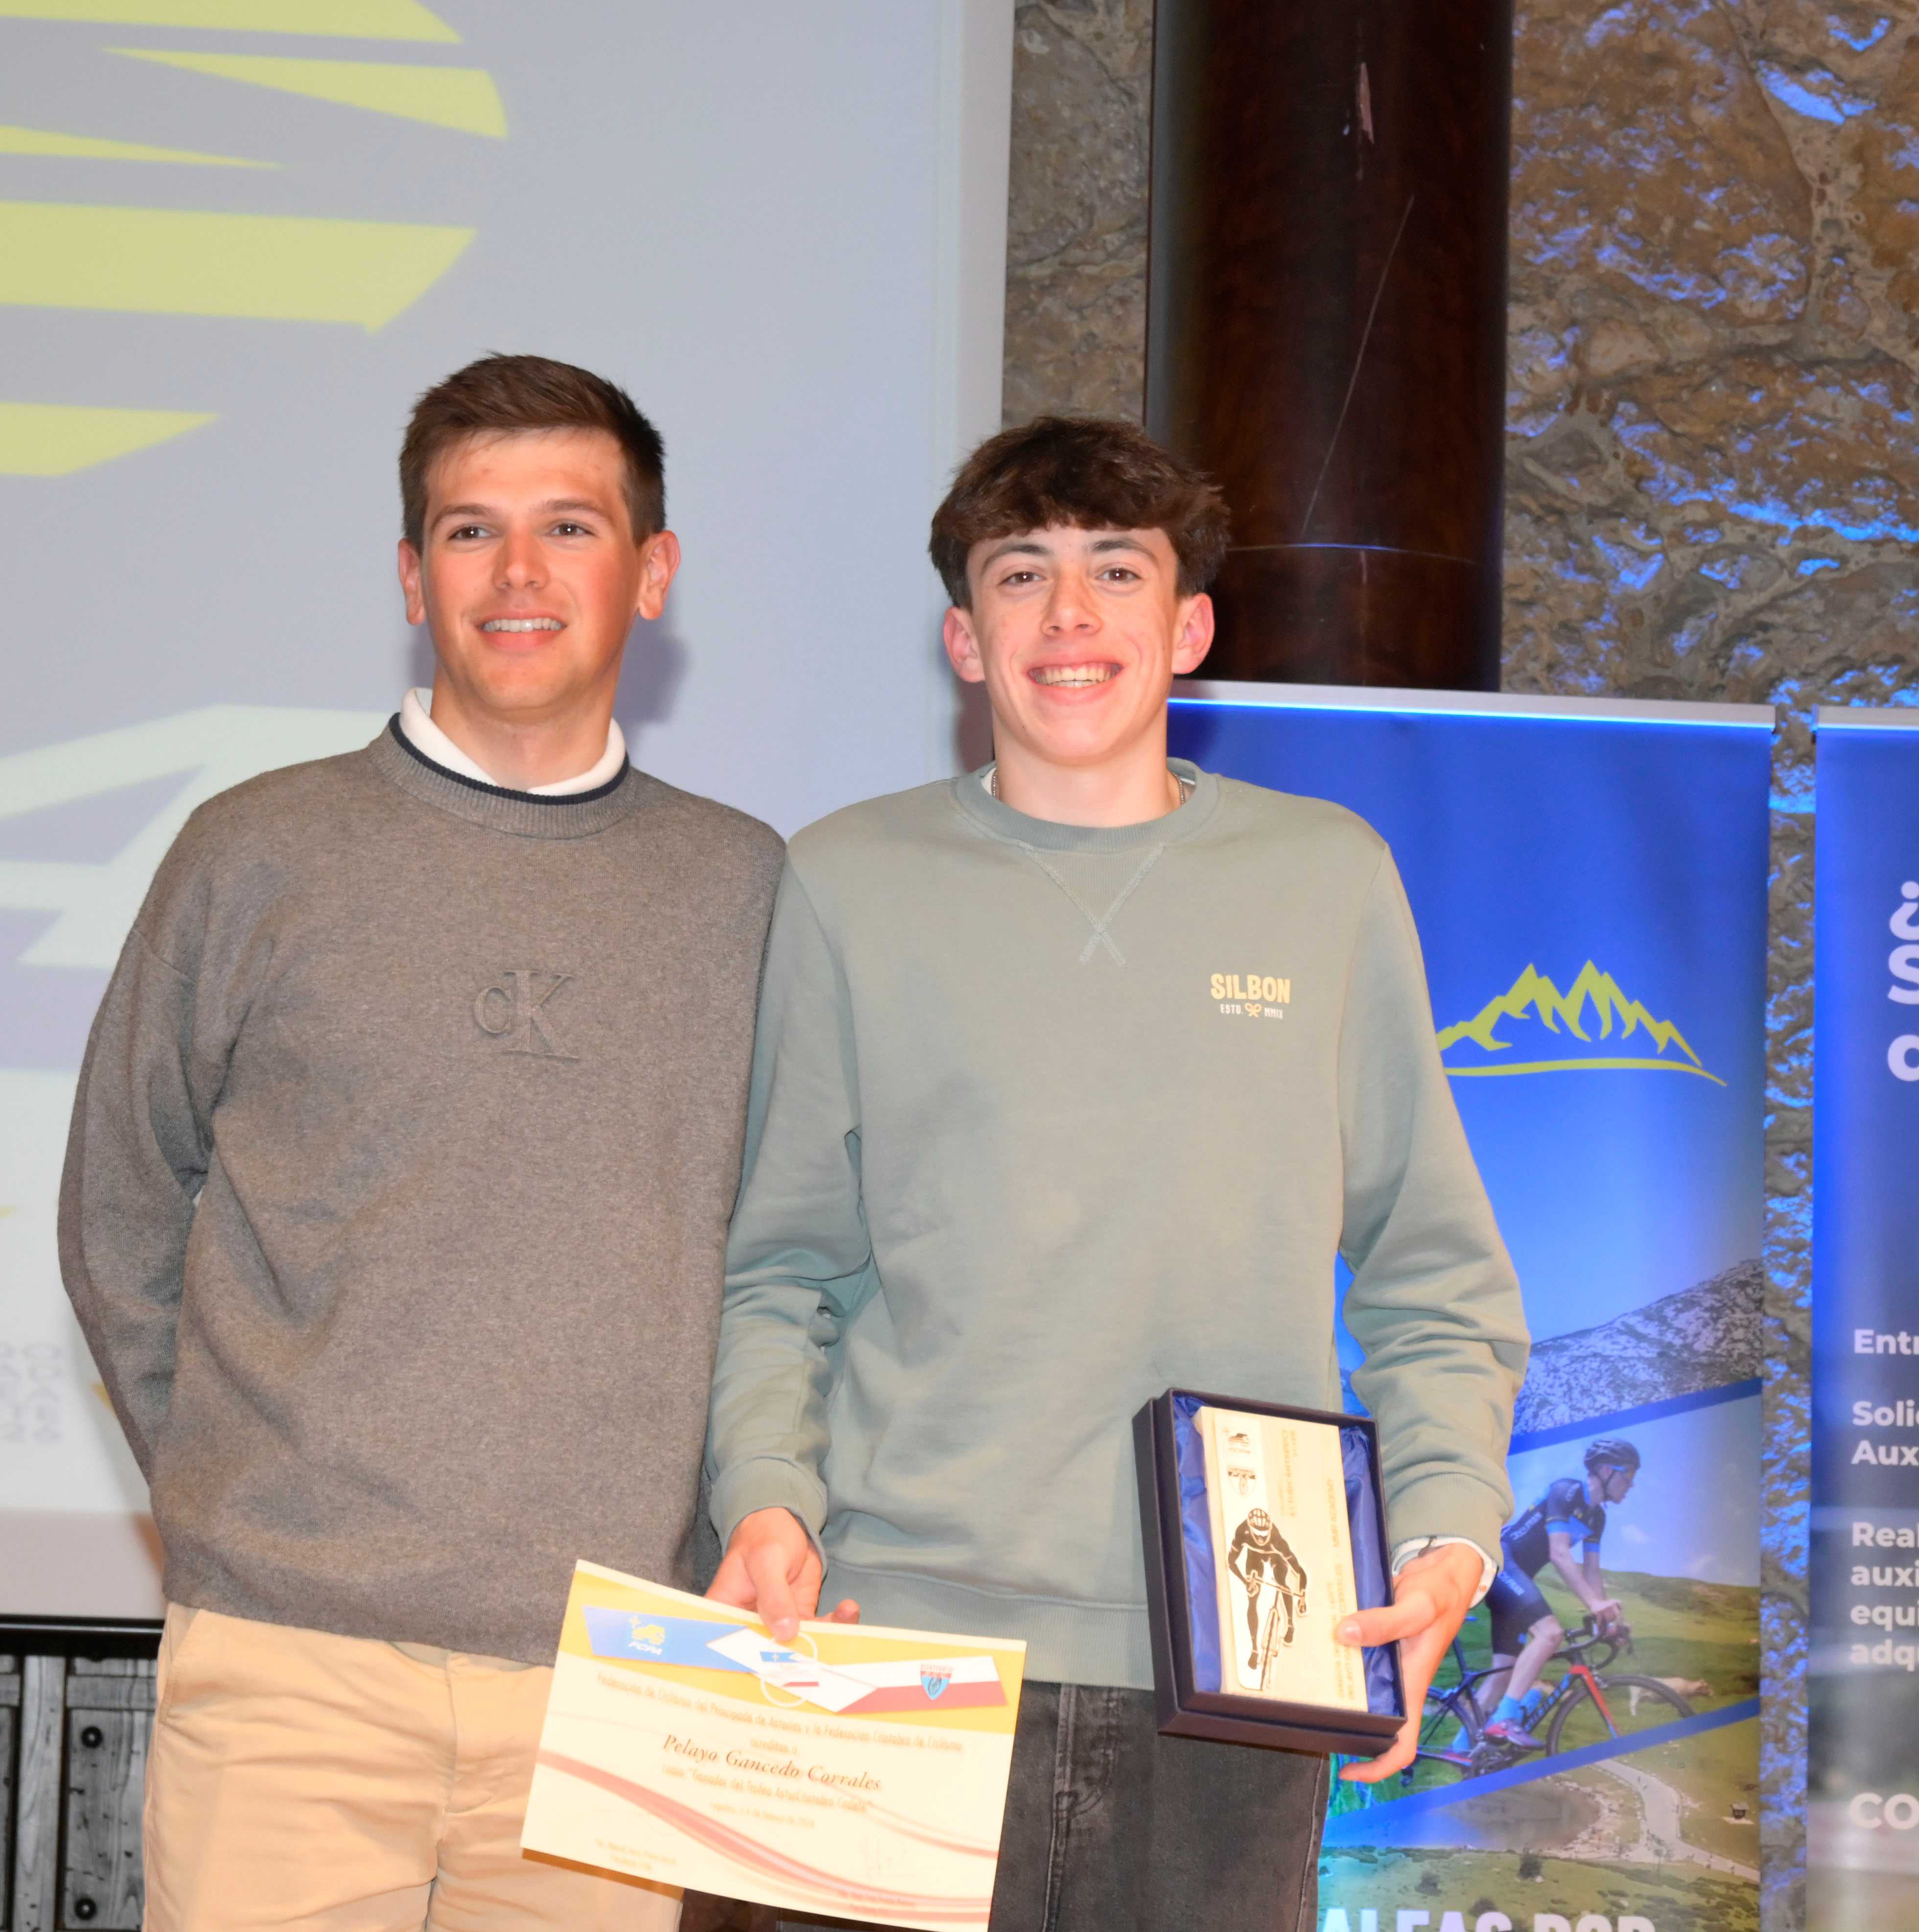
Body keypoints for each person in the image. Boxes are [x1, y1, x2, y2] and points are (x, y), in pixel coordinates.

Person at [702, 416, 1528, 1926]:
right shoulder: (844, 882)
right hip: (892, 1654)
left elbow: (1432, 1271)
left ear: (1190, 627)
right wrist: (766, 1500)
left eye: (1117, 572)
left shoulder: (1326, 880)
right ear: (965, 637)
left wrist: (1449, 1531)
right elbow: (785, 1272)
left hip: (1237, 1668)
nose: (1070, 617)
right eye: (1023, 576)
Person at [60, 355, 783, 1932]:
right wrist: (245, 1502)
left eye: (571, 529)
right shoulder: (255, 850)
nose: (519, 575)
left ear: (651, 572)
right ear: (411, 574)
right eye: (470, 531)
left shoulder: (751, 893)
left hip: (618, 1685)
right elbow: (119, 1215)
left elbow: (795, 1264)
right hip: (291, 1672)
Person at [1480, 1437, 1640, 1747]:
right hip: (1500, 1564)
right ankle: (1503, 1720)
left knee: (1503, 1674)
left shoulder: (1597, 1518)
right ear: (1606, 1470)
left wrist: (1607, 1620)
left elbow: (1592, 1571)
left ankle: (1461, 1751)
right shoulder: (1565, 1492)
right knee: (1550, 1634)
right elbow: (1560, 1553)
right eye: (1629, 1475)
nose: (1632, 1484)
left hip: (1515, 1578)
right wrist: (1595, 1604)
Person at [1228, 1508, 1310, 1676]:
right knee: (1252, 1597)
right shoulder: (1242, 1532)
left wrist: (1302, 1596)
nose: (1261, 1539)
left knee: (1282, 1582)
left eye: (1264, 1535)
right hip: (1254, 1557)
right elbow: (1231, 1562)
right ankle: (1255, 1649)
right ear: (1249, 1529)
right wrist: (1246, 1583)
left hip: (1275, 1556)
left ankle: (1290, 1625)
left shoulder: (1277, 1541)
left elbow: (1299, 1571)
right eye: (1257, 1535)